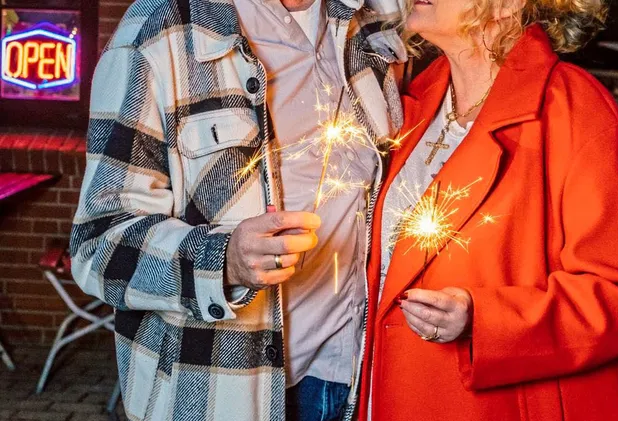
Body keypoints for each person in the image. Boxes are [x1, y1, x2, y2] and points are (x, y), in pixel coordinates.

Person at [70, 0, 405, 419]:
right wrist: (223, 261)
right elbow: (97, 246)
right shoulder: (160, 28)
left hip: (352, 379)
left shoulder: (369, 20)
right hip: (222, 390)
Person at [362, 0, 618, 420]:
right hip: (392, 393)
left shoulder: (576, 111)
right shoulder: (414, 96)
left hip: (491, 405)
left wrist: (484, 319)